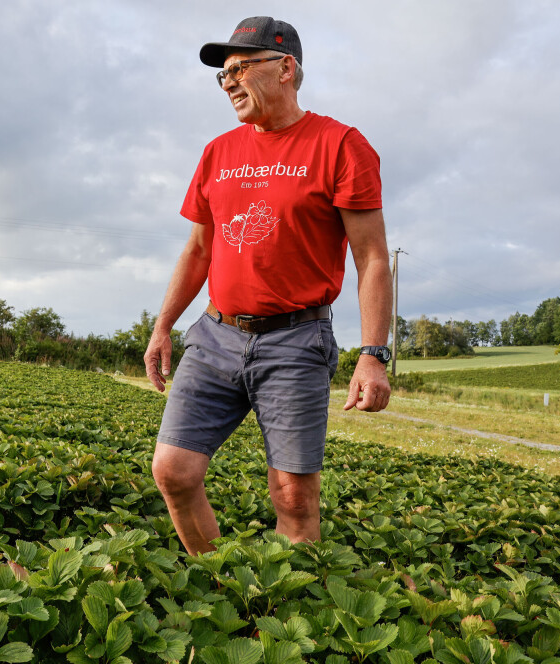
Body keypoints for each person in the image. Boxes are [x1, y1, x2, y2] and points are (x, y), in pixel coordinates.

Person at [144, 16, 393, 553]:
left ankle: (280, 615)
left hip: (295, 339)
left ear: (286, 69)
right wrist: (162, 327)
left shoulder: (340, 145)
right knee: (174, 471)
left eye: (239, 68)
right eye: (222, 75)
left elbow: (372, 258)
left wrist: (373, 354)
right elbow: (198, 250)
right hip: (215, 335)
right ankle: (217, 592)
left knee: (293, 497)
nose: (229, 81)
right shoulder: (218, 152)